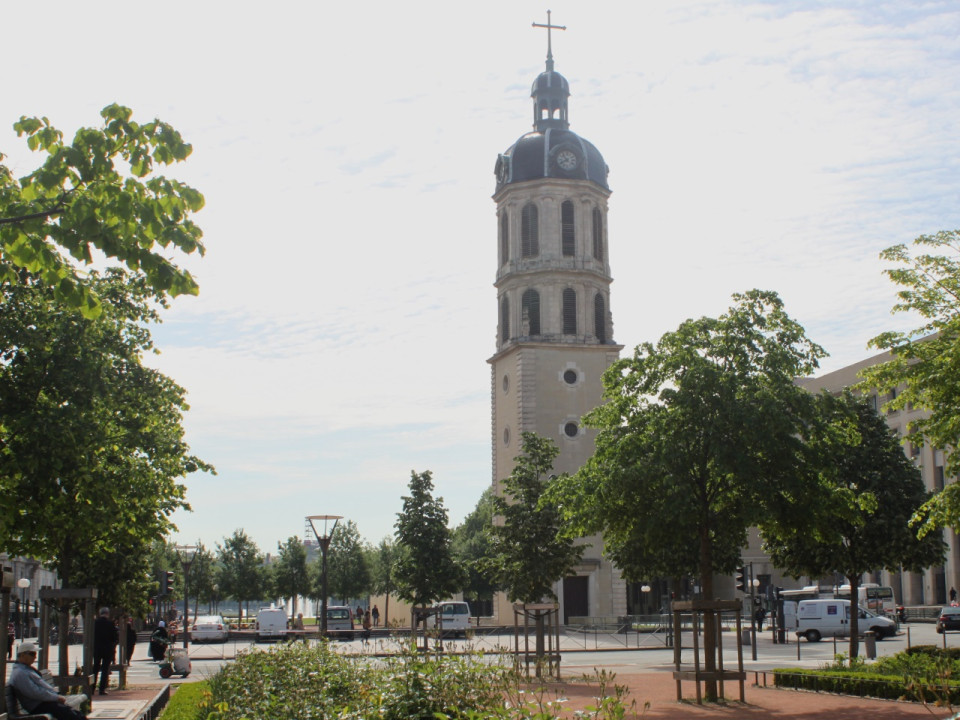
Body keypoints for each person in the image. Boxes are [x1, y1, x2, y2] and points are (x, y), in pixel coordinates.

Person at [7, 641, 88, 720]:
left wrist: (56, 696)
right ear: (22, 655)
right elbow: (35, 693)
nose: (35, 657)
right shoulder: (20, 673)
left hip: (44, 703)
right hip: (39, 706)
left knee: (73, 713)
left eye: (35, 654)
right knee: (71, 714)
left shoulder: (25, 669)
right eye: (32, 654)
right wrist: (56, 697)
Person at [92, 608, 118, 696]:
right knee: (105, 669)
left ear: (100, 613)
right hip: (107, 649)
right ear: (107, 614)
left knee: (95, 668)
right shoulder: (110, 624)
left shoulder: (95, 623)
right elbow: (114, 637)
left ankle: (92, 688)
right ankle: (101, 689)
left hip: (97, 649)